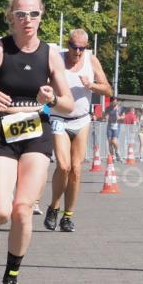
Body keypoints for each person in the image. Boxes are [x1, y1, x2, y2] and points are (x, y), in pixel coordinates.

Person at [0, 0, 74, 284]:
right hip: (4, 133)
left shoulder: (50, 54)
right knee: (1, 210)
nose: (28, 20)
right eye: (21, 14)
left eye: (34, 14)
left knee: (23, 209)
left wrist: (52, 101)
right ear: (10, 17)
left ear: (42, 16)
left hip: (37, 132)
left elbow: (67, 104)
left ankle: (11, 275)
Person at [43, 29, 112, 234]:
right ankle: (54, 207)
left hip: (81, 121)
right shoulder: (56, 59)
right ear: (68, 44)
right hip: (58, 119)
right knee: (63, 166)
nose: (78, 52)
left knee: (76, 169)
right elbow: (43, 83)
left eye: (82, 48)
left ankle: (68, 216)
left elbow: (108, 89)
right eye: (75, 47)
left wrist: (91, 85)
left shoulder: (91, 61)